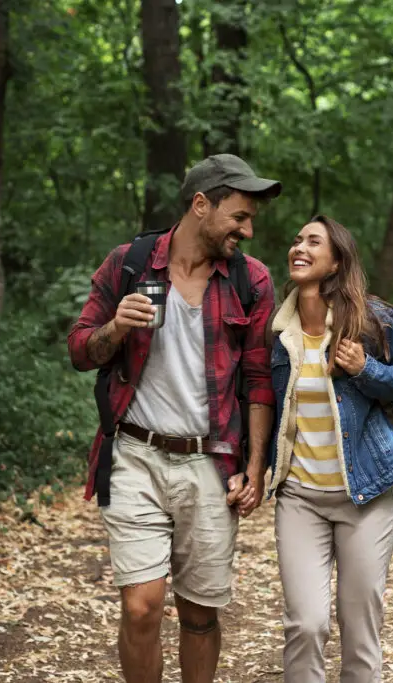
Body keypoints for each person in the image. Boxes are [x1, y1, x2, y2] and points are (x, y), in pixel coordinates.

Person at [67, 154, 281, 683]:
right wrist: (116, 327)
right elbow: (79, 350)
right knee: (141, 606)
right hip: (134, 456)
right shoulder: (129, 264)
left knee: (199, 614)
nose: (248, 230)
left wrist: (255, 467)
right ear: (200, 205)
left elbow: (257, 380)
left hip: (209, 463)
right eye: (239, 217)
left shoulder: (251, 281)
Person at [265, 215, 393, 682]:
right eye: (296, 239)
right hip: (300, 498)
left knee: (359, 630)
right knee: (306, 623)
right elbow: (259, 401)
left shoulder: (375, 321)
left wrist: (365, 369)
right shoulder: (277, 331)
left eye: (313, 241)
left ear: (337, 260)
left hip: (367, 495)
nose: (299, 247)